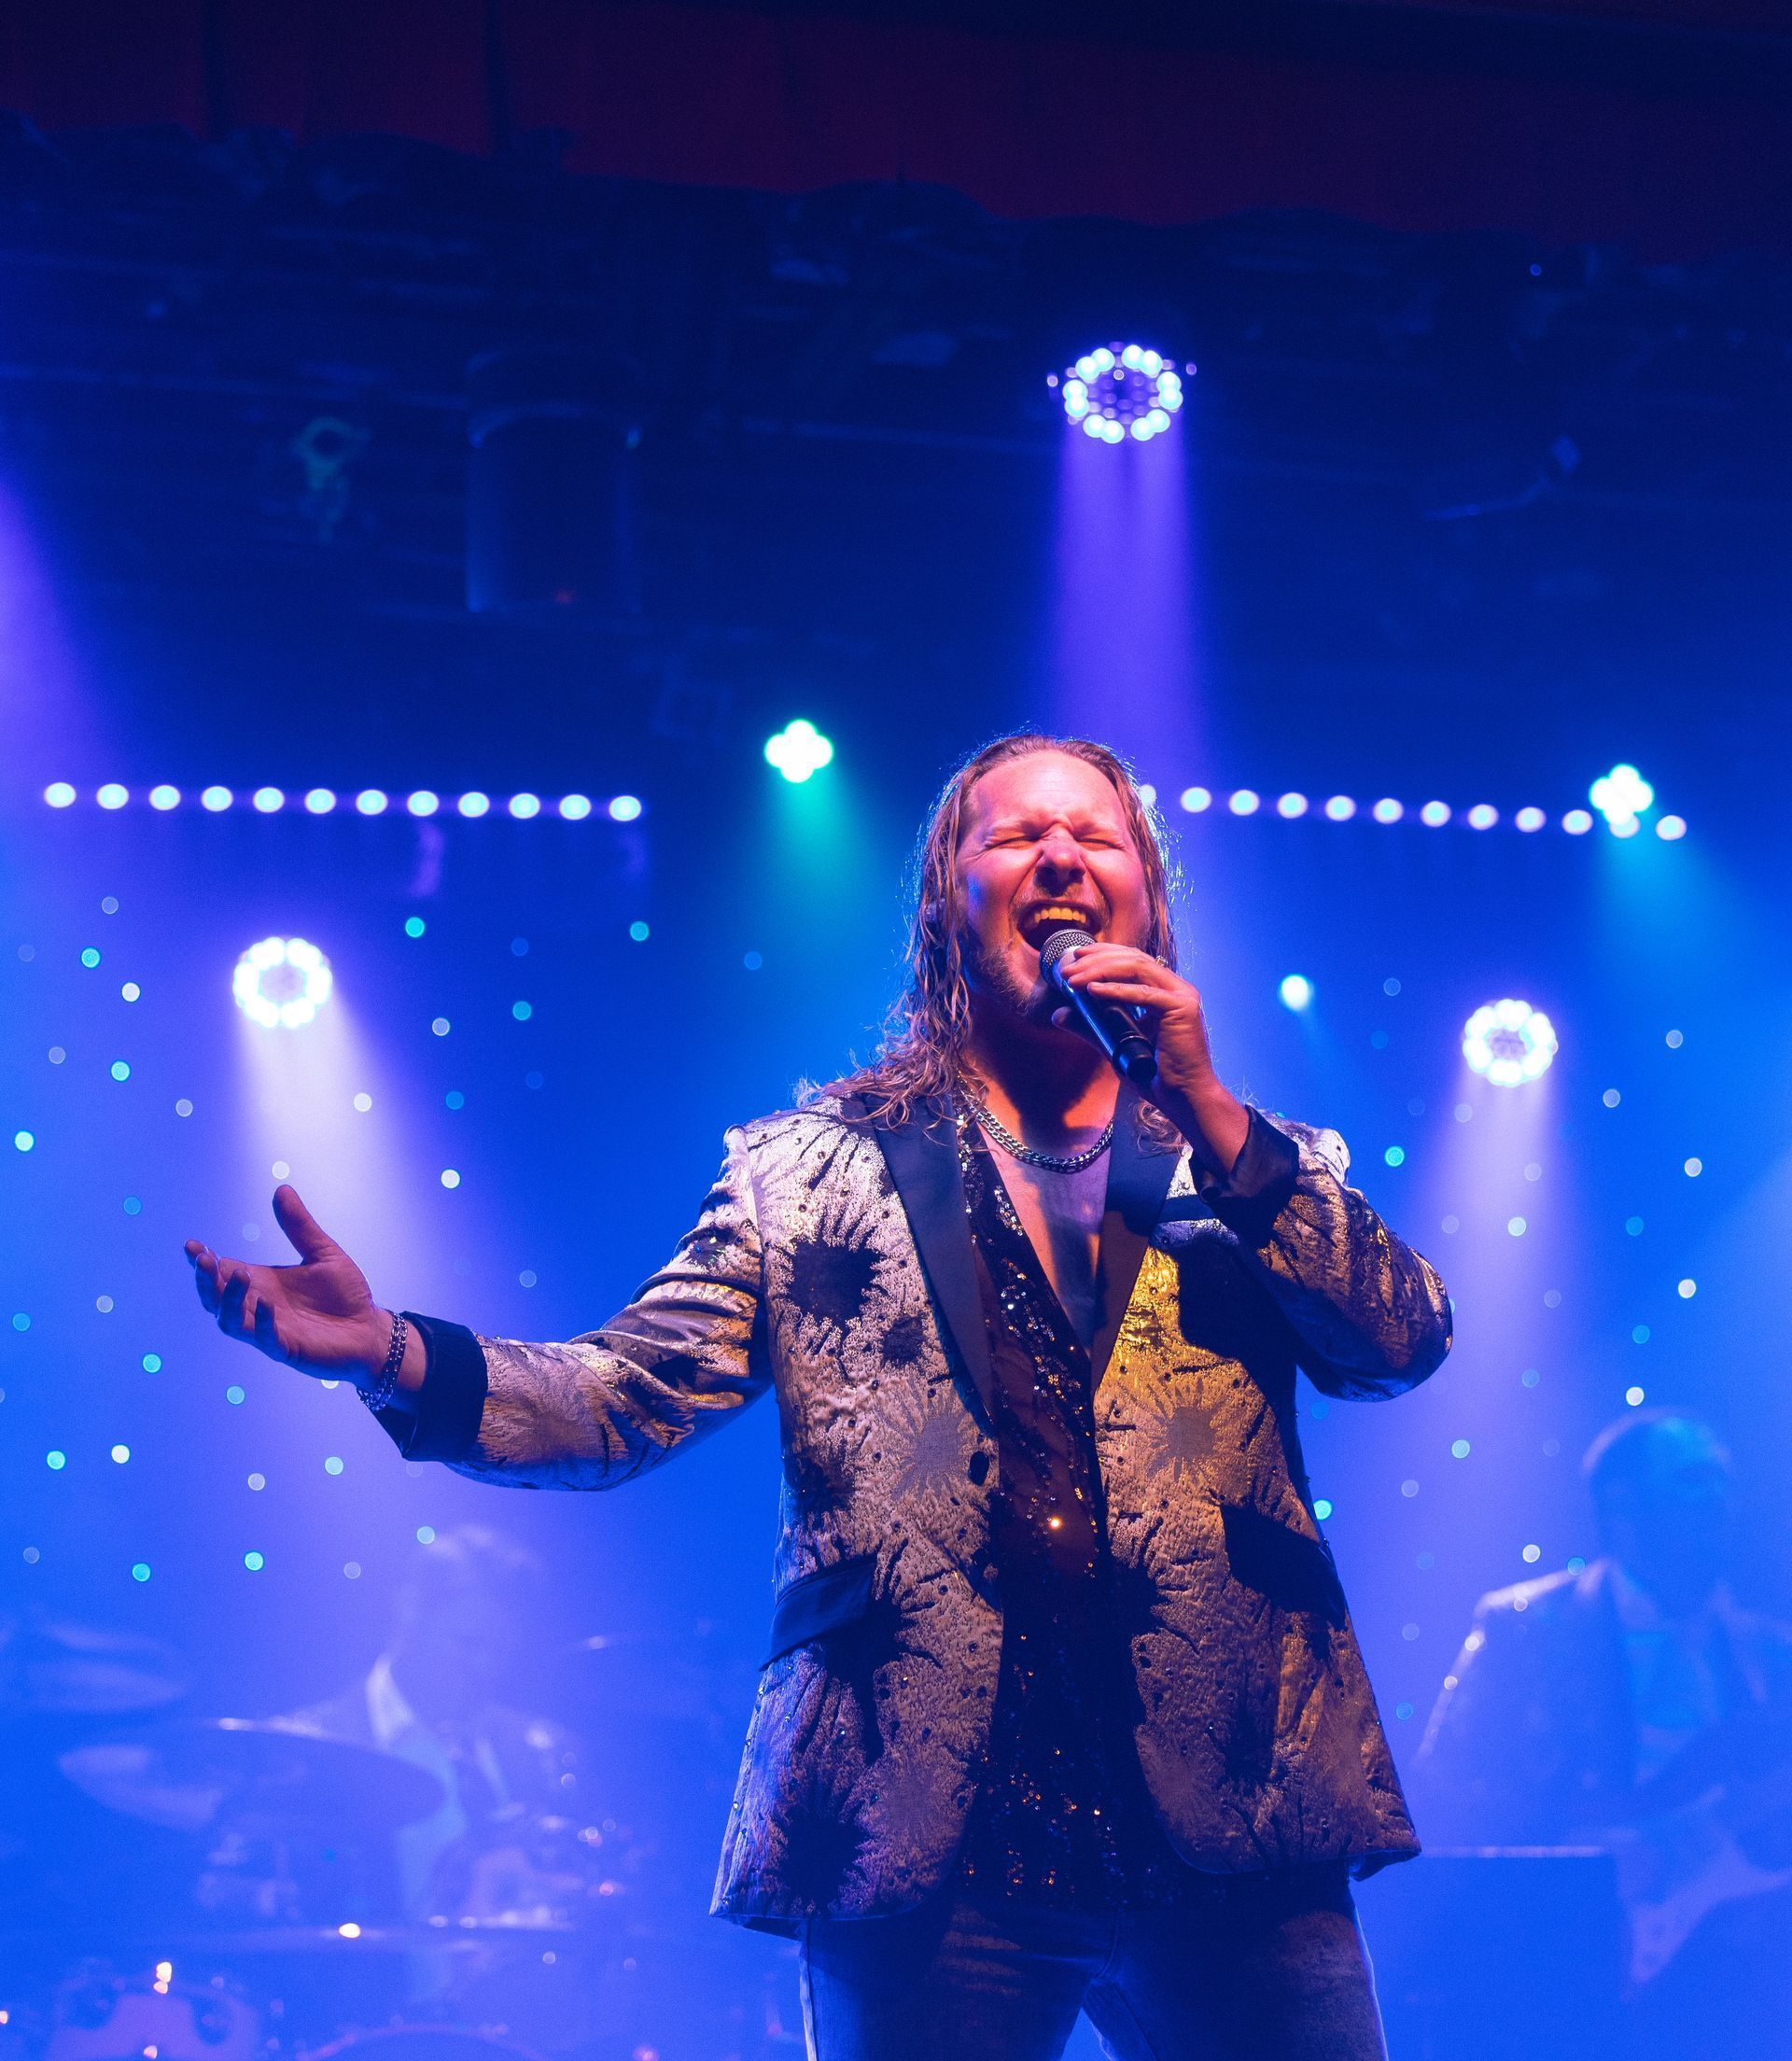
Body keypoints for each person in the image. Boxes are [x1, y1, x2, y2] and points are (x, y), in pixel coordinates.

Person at [185, 732, 1452, 2061]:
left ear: (1149, 897)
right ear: (947, 901)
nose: (1063, 855)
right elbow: (622, 1396)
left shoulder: (1253, 1165)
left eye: (1100, 837)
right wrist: (394, 1351)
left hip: (1233, 1798)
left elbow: (1401, 1343)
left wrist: (1208, 1109)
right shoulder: (806, 1174)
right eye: (1015, 837)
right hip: (923, 1818)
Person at [1413, 1409, 1792, 2057]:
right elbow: (1446, 1790)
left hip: (1733, 1966)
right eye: (1695, 1480)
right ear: (1622, 1506)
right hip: (1559, 1955)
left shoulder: (1769, 1652)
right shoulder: (1524, 1626)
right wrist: (1599, 1855)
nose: (1719, 1497)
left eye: (1725, 1480)